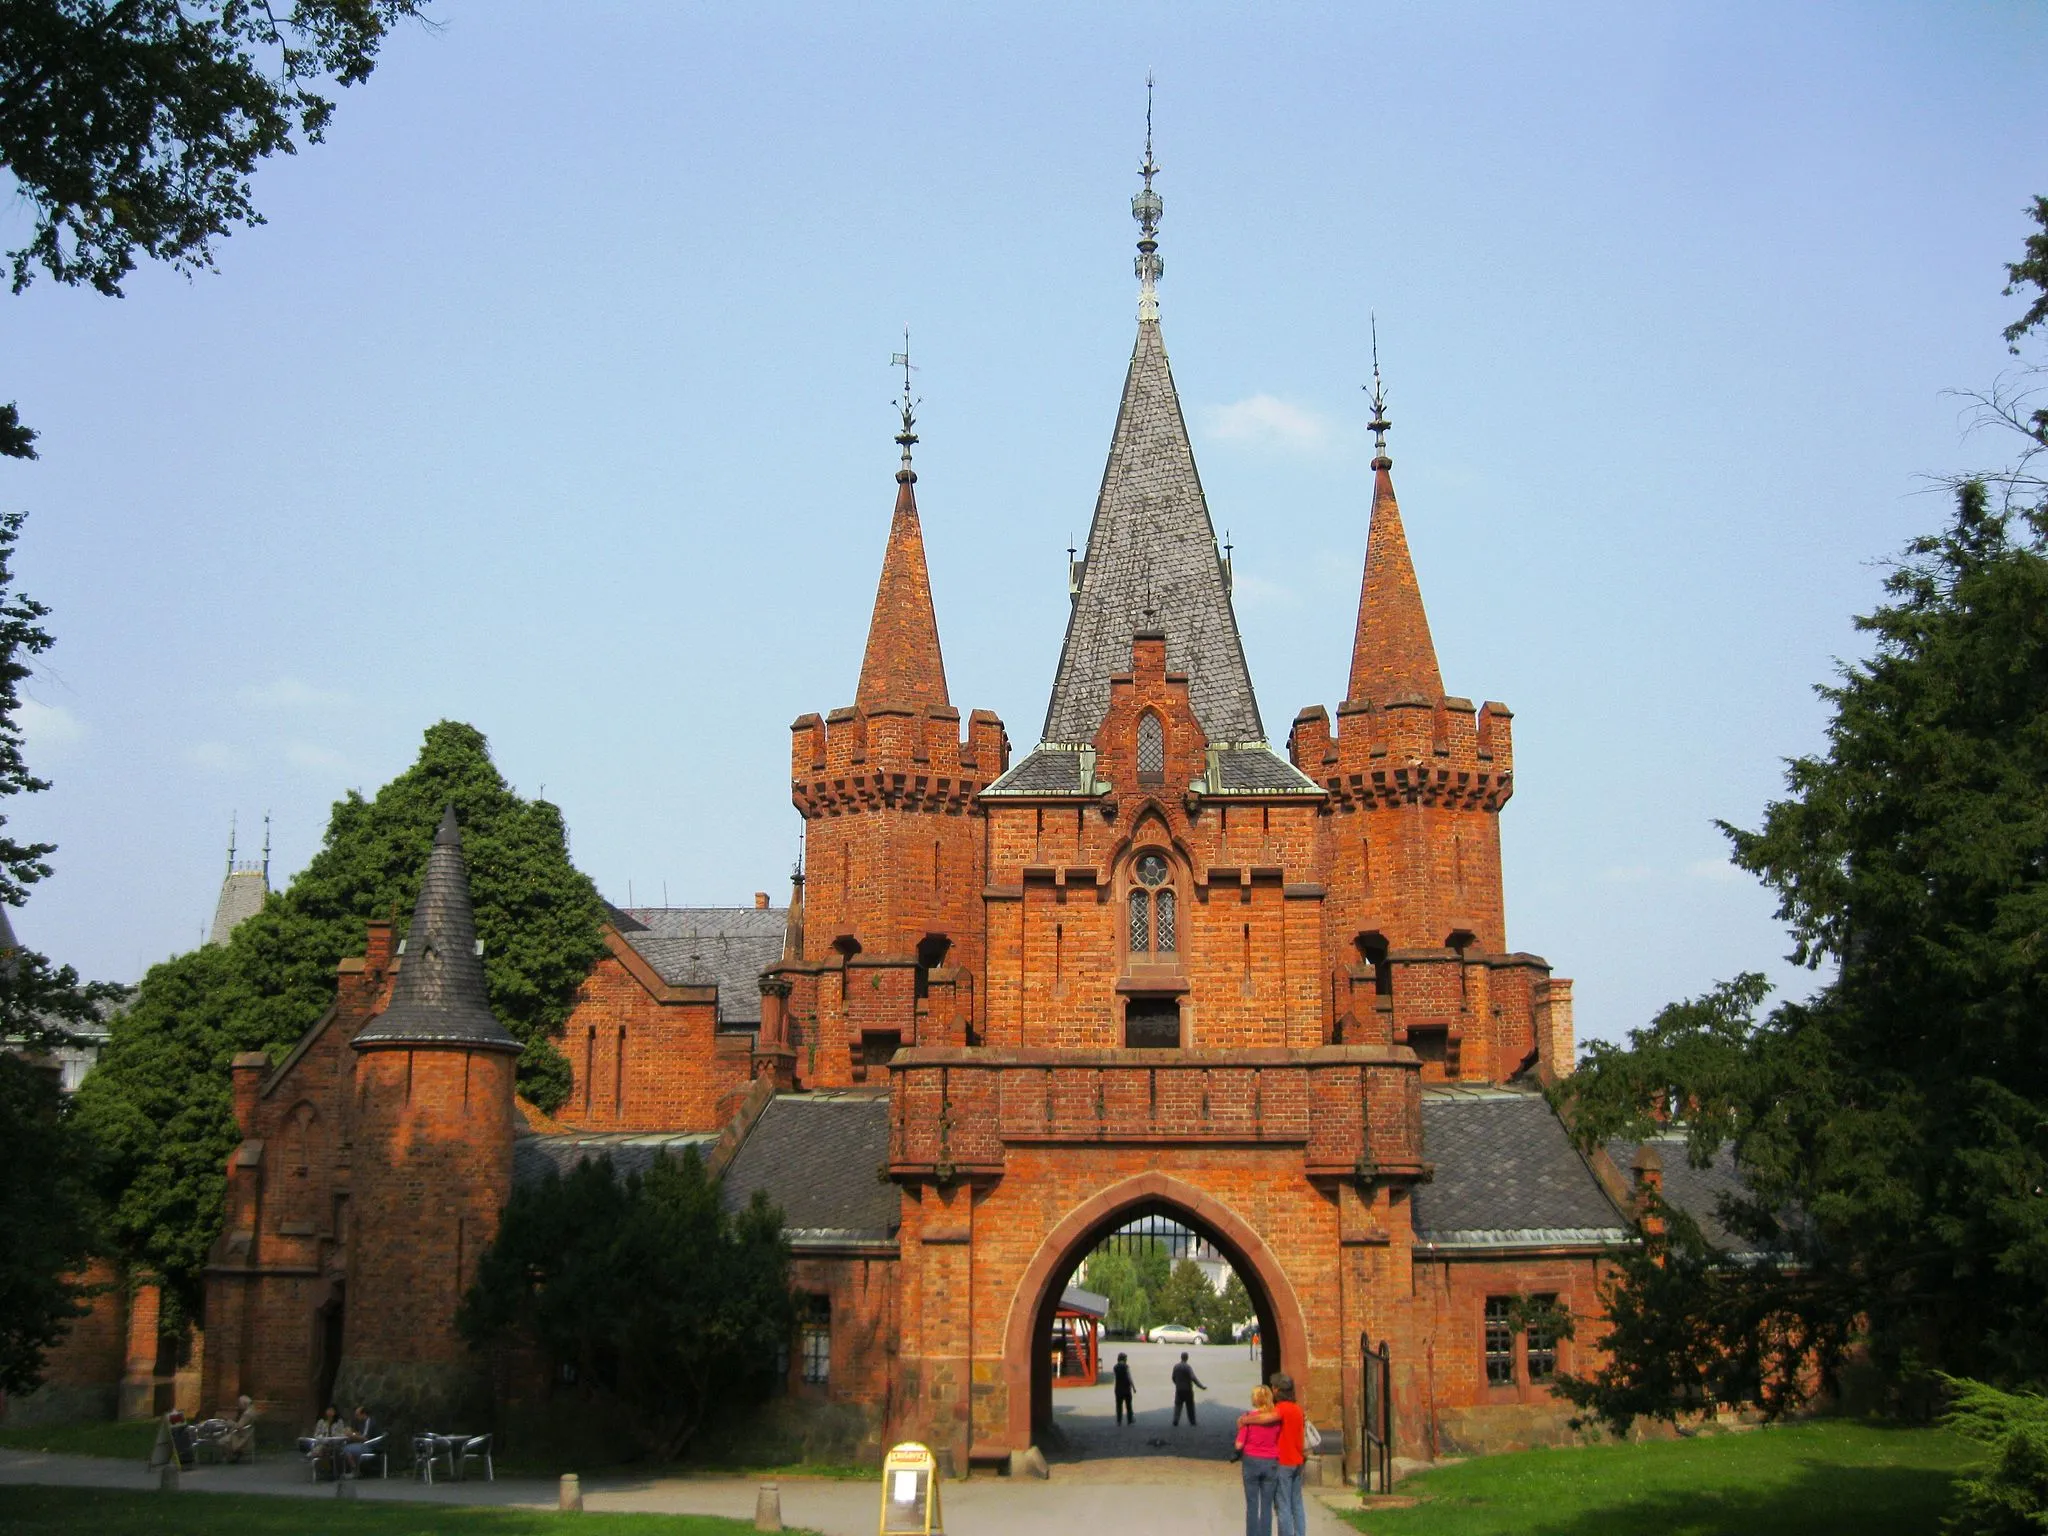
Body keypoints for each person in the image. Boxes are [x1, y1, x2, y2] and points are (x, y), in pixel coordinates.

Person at [1235, 1385, 1282, 1536]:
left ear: (1254, 1399)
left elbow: (1239, 1444)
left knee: (1252, 1503)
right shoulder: (1275, 1418)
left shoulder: (1247, 1417)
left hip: (1251, 1461)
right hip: (1271, 1461)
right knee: (1267, 1505)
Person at [1170, 1350, 1205, 1426]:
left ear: (1181, 1357)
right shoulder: (1188, 1367)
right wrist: (1201, 1386)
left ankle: (1175, 1420)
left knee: (1178, 1405)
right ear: (1187, 1358)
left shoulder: (1176, 1366)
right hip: (1188, 1389)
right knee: (1190, 1406)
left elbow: (1173, 1377)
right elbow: (1193, 1378)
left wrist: (1177, 1384)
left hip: (1179, 1389)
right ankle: (1192, 1421)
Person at [220, 1394, 258, 1462]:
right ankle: (235, 1455)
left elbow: (239, 1426)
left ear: (244, 1403)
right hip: (246, 1434)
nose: (239, 1406)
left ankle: (231, 1457)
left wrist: (230, 1422)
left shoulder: (247, 1414)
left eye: (240, 1404)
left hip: (242, 1436)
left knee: (221, 1441)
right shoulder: (253, 1410)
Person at [340, 1405, 376, 1474]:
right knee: (345, 1448)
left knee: (346, 1449)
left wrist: (352, 1435)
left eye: (357, 1415)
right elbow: (359, 1433)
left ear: (363, 1414)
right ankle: (355, 1470)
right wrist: (352, 1433)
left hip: (370, 1445)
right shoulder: (361, 1422)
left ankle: (355, 1471)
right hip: (364, 1444)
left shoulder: (370, 1422)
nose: (356, 1417)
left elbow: (365, 1438)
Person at [1112, 1351, 1136, 1425]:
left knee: (1119, 1406)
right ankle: (1129, 1420)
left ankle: (1119, 1421)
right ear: (1124, 1359)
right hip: (1126, 1389)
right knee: (1128, 1406)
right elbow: (1129, 1377)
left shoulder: (1115, 1367)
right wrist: (1133, 1387)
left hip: (1118, 1389)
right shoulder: (1126, 1367)